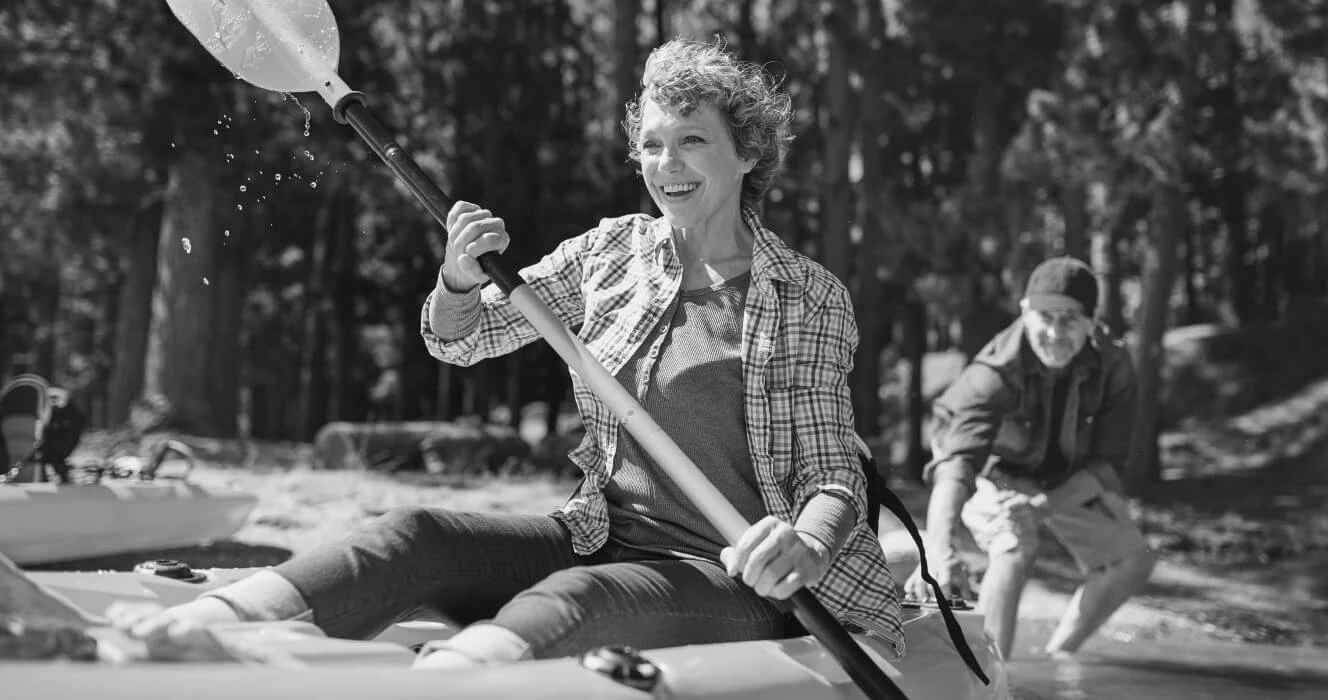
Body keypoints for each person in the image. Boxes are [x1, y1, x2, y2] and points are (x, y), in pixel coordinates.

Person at [106, 37, 902, 668]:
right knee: (414, 533)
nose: (667, 164)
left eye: (693, 140)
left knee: (579, 599)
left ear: (749, 154)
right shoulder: (611, 254)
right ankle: (197, 630)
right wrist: (456, 279)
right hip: (603, 532)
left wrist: (804, 540)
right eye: (653, 144)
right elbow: (464, 339)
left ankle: (447, 681)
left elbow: (831, 473)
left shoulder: (805, 294)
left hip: (738, 575)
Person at [904, 256, 1156, 660]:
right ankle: (988, 674)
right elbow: (956, 465)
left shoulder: (1114, 365)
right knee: (1015, 544)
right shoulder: (994, 371)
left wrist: (1041, 506)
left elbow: (1107, 466)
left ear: (1092, 322)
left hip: (1062, 477)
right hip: (990, 467)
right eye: (1045, 317)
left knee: (1134, 560)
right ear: (1025, 313)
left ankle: (1059, 659)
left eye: (1070, 319)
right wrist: (940, 550)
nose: (1055, 332)